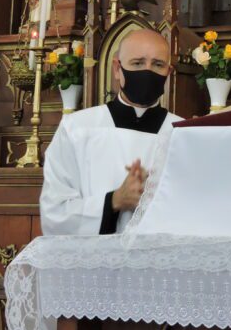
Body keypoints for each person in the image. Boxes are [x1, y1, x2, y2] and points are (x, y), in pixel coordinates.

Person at [40, 28, 181, 236]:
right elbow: (54, 212)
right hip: (94, 263)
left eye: (157, 65)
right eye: (138, 63)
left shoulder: (182, 133)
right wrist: (114, 201)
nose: (147, 71)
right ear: (117, 68)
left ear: (168, 73)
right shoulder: (77, 129)